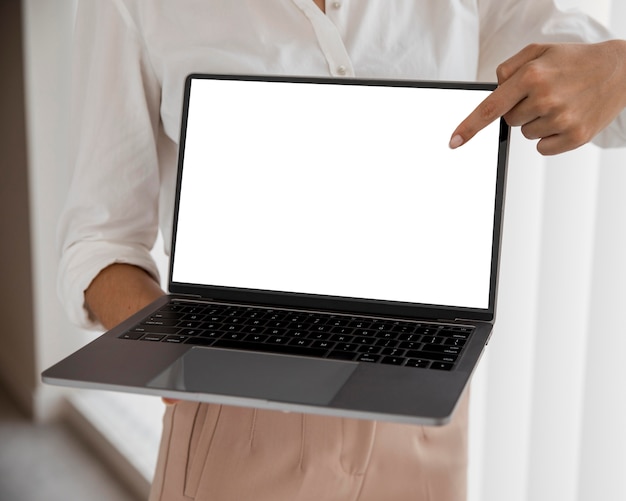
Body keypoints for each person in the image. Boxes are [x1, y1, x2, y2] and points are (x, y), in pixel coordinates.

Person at [58, 1, 626, 500]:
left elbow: (600, 95)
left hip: (421, 414)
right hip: (243, 421)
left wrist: (619, 67)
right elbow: (101, 240)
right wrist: (178, 353)